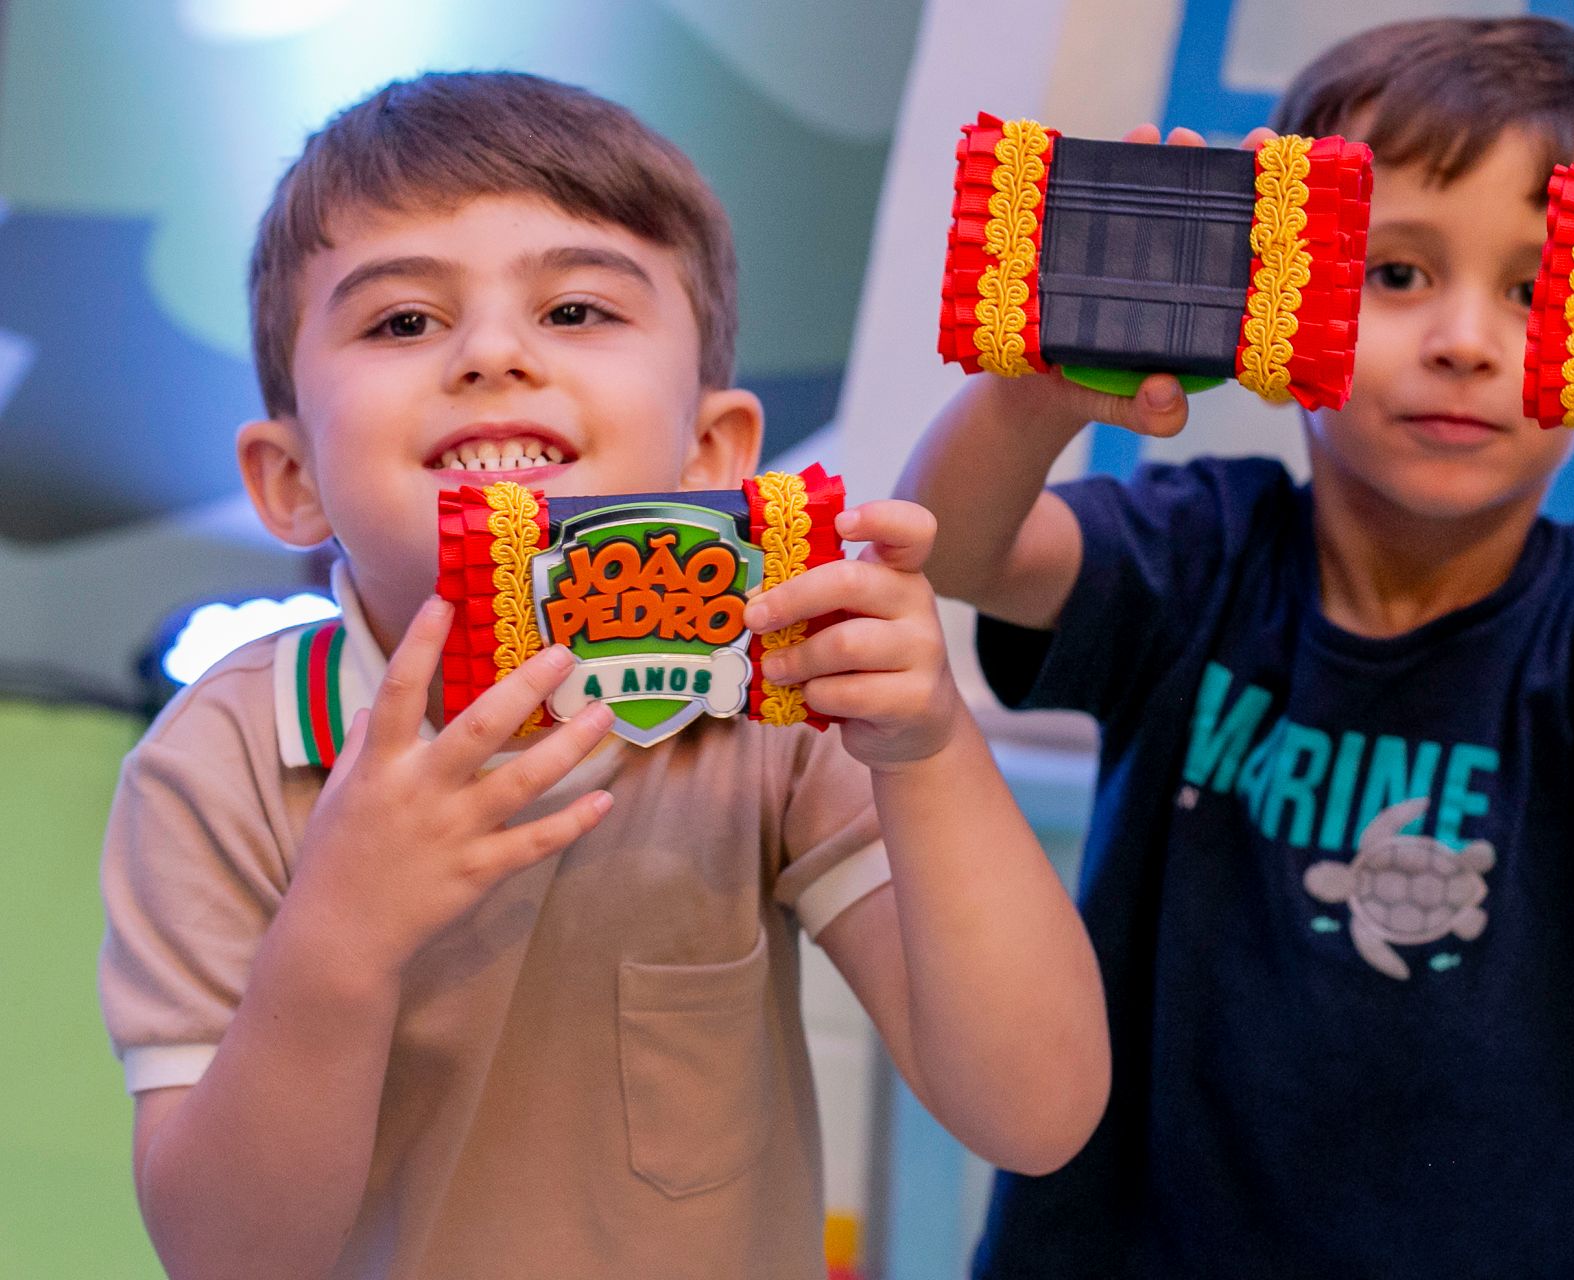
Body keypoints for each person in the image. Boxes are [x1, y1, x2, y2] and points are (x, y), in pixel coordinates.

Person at [897, 16, 1574, 1278]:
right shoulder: (1199, 550)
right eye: (1397, 273)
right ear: (1283, 282)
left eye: (1536, 291)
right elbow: (951, 547)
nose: (1465, 341)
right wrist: (1037, 385)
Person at [99, 70, 1108, 1280]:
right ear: (289, 478)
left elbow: (1037, 1113)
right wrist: (337, 943)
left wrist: (933, 750)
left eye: (576, 309)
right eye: (402, 321)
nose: (491, 353)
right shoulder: (222, 761)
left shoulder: (780, 709)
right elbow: (230, 1257)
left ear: (712, 451)